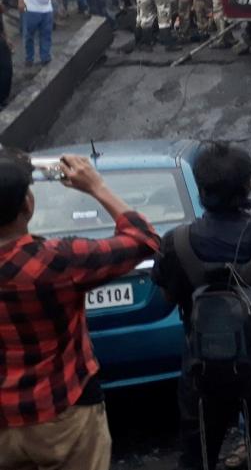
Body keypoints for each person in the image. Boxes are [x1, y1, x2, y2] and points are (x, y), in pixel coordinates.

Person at [0, 153, 159, 470]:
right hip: (62, 413)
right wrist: (97, 187)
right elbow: (145, 240)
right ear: (28, 206)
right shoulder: (55, 261)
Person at [152, 143, 251, 470]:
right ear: (247, 186)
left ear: (201, 188)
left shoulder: (176, 241)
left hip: (203, 366)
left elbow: (167, 297)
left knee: (198, 455)